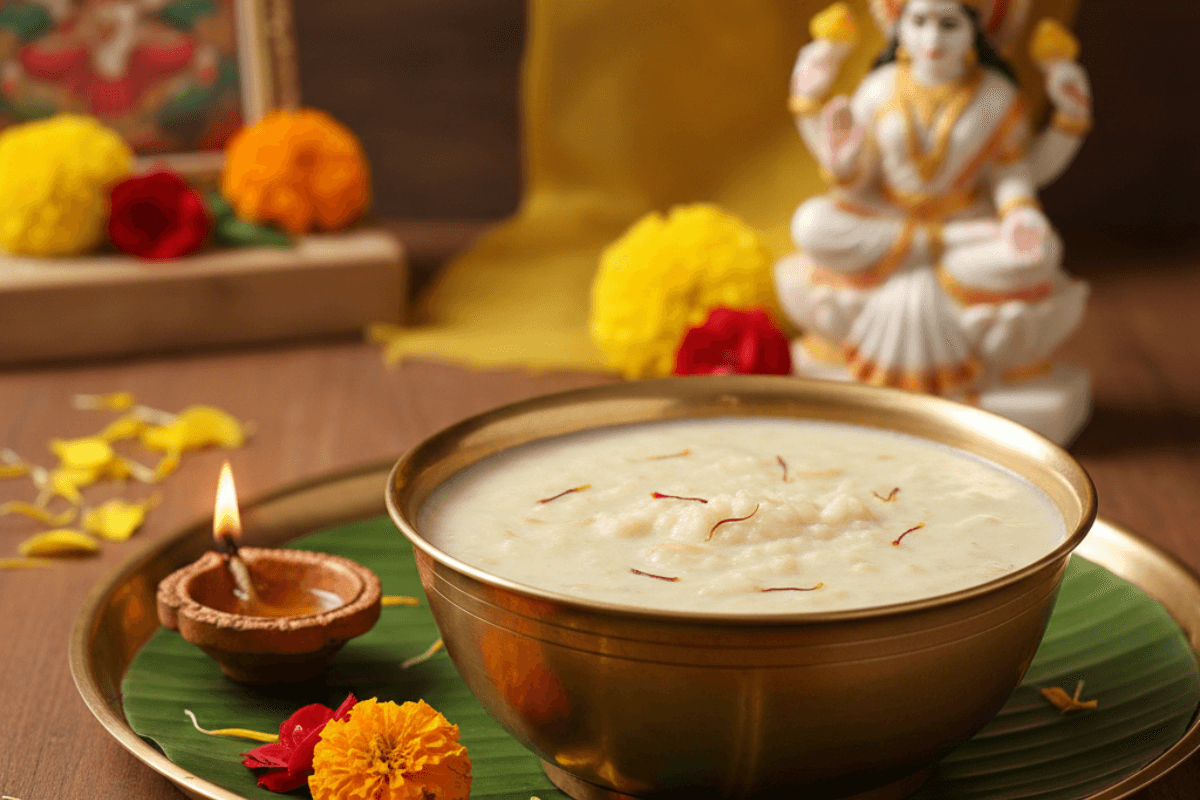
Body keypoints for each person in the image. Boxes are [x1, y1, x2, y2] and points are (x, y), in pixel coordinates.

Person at [775, 0, 1091, 395]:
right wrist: (837, 150)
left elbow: (1011, 172)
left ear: (975, 31)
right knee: (811, 223)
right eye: (919, 21)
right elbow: (858, 180)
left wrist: (1020, 215)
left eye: (948, 24)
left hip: (962, 225)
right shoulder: (879, 88)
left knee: (1041, 252)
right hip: (890, 222)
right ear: (898, 26)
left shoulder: (997, 96)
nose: (932, 38)